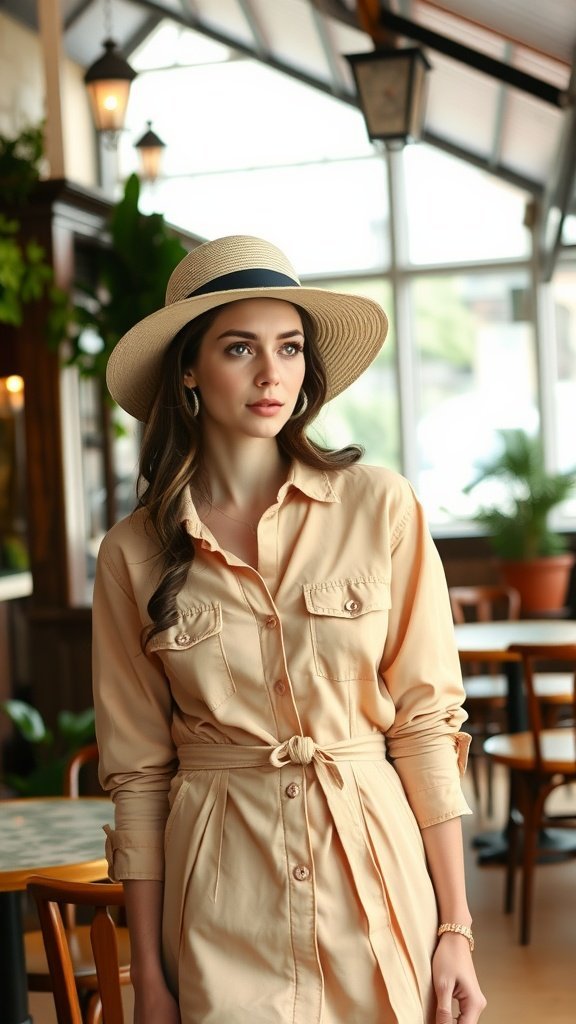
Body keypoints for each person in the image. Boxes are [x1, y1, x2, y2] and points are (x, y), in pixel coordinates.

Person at [92, 234, 486, 1024]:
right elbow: (137, 775)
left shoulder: (381, 507)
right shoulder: (133, 553)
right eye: (241, 348)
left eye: (290, 347)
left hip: (375, 873)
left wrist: (454, 928)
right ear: (190, 371)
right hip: (221, 898)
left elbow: (427, 725)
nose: (273, 374)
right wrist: (151, 978)